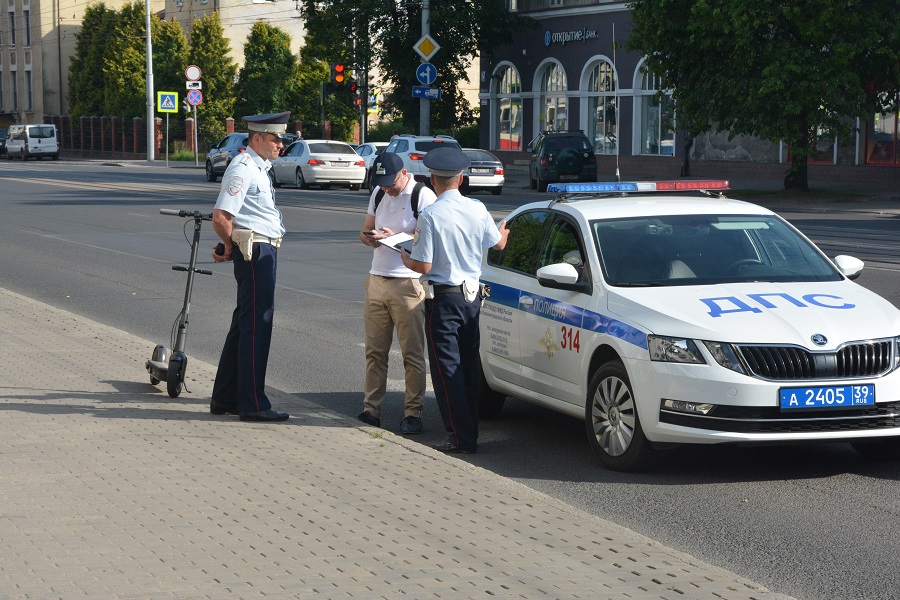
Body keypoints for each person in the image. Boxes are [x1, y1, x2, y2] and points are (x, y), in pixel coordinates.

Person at [400, 146, 509, 453]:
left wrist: (405, 258)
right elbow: (498, 243)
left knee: (447, 370)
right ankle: (468, 430)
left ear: (433, 180)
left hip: (444, 300)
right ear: (460, 179)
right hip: (472, 298)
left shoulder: (431, 215)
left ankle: (460, 437)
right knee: (469, 368)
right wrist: (505, 232)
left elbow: (423, 266)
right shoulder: (477, 208)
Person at [209, 112, 291, 423]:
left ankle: (226, 396)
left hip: (258, 248)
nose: (280, 144)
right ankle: (253, 403)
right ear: (256, 138)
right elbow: (221, 217)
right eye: (275, 138)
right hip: (255, 251)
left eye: (281, 139)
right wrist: (230, 245)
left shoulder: (259, 167)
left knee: (244, 324)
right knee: (257, 325)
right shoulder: (243, 168)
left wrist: (230, 243)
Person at [357, 153, 437, 434]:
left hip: (407, 283)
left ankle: (413, 412)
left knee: (412, 353)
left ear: (404, 173)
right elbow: (364, 231)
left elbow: (430, 241)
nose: (387, 189)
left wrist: (397, 238)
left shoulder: (422, 196)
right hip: (377, 279)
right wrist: (369, 237)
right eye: (382, 184)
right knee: (374, 352)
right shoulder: (379, 193)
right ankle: (370, 410)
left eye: (391, 183)